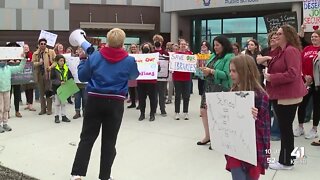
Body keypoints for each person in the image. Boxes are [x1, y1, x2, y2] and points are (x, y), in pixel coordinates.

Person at [71, 28, 139, 180]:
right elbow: (134, 75)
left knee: (87, 138)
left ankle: (77, 174)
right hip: (115, 103)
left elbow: (82, 76)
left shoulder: (95, 56)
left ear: (108, 41)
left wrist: (83, 60)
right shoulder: (129, 60)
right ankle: (105, 176)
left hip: (94, 100)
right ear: (123, 43)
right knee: (109, 141)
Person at [265, 25, 307, 170]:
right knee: (285, 128)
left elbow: (293, 74)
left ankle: (286, 161)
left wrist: (271, 77)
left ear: (287, 35)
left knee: (285, 129)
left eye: (280, 33)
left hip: (288, 96)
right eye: (276, 33)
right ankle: (287, 159)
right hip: (282, 95)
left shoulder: (291, 51)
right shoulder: (282, 51)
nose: (276, 35)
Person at [226, 54, 270, 180]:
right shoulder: (232, 92)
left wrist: (256, 117)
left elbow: (265, 128)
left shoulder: (261, 96)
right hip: (236, 147)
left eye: (234, 71)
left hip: (254, 149)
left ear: (245, 71)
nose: (230, 74)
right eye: (230, 70)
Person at [198, 36, 233, 148]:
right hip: (208, 86)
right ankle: (208, 136)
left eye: (218, 45)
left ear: (224, 45)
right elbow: (208, 68)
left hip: (220, 88)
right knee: (203, 111)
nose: (215, 47)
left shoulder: (229, 57)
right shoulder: (213, 55)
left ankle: (217, 138)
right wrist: (204, 71)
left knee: (216, 114)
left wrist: (212, 71)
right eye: (214, 45)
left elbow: (227, 75)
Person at [294, 29, 320, 139]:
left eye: (316, 36)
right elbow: (300, 64)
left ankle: (314, 129)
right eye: (312, 37)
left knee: (317, 106)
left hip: (318, 83)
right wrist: (305, 77)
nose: (313, 38)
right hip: (306, 82)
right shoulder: (306, 49)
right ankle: (300, 127)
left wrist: (313, 78)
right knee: (302, 104)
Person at [257, 31, 281, 141]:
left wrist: (266, 61)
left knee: (276, 110)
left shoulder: (281, 51)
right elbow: (258, 60)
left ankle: (276, 131)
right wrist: (268, 58)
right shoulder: (265, 50)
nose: (273, 39)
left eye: (275, 38)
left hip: (276, 84)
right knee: (265, 108)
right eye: (271, 38)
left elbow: (276, 64)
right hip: (264, 84)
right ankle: (265, 129)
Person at [0, 52, 26, 133]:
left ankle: (5, 123)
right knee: (0, 108)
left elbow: (19, 68)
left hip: (7, 90)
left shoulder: (9, 68)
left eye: (4, 60)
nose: (2, 61)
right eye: (1, 60)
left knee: (6, 108)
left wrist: (23, 59)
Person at [32, 38, 56, 115]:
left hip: (48, 74)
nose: (43, 45)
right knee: (41, 93)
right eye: (41, 44)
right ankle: (43, 109)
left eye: (44, 44)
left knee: (48, 92)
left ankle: (49, 109)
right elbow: (32, 64)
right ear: (39, 45)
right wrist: (39, 63)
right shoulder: (35, 53)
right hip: (39, 75)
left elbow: (56, 62)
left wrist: (51, 67)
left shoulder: (51, 52)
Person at [137, 42, 158, 121]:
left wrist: (157, 65)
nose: (146, 48)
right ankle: (142, 114)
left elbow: (158, 69)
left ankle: (152, 114)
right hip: (141, 81)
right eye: (144, 47)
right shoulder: (139, 57)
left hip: (151, 81)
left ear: (150, 48)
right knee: (141, 99)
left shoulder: (154, 57)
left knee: (153, 99)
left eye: (147, 47)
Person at [173, 39, 192, 120]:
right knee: (177, 95)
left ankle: (185, 112)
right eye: (182, 44)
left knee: (186, 95)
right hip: (177, 77)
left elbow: (193, 64)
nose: (183, 45)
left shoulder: (190, 54)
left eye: (184, 44)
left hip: (187, 77)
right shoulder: (175, 54)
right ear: (179, 45)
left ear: (186, 45)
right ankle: (177, 112)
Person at [50, 54, 73, 123]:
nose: (62, 62)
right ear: (57, 61)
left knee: (63, 103)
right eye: (61, 61)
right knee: (57, 103)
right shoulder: (54, 69)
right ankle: (56, 116)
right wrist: (59, 82)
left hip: (65, 88)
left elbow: (70, 77)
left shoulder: (66, 68)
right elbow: (52, 79)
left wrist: (68, 82)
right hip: (57, 88)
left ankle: (64, 116)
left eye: (63, 61)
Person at [153, 34, 169, 116]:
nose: (157, 42)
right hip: (153, 78)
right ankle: (154, 109)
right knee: (154, 95)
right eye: (156, 41)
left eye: (159, 41)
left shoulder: (166, 53)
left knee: (162, 95)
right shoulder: (151, 53)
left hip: (163, 78)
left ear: (161, 42)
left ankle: (163, 109)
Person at [73, 47, 88, 119]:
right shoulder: (73, 60)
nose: (81, 52)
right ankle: (77, 112)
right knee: (77, 98)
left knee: (85, 98)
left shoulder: (88, 60)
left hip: (85, 83)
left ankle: (85, 111)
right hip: (76, 83)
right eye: (80, 51)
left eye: (82, 51)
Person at [23, 44, 36, 112]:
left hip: (30, 74)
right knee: (26, 89)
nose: (26, 49)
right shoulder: (22, 55)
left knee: (30, 89)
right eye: (24, 48)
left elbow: (31, 62)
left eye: (27, 47)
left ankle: (31, 104)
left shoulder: (31, 54)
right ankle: (28, 104)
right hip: (24, 75)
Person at [127, 43, 139, 109]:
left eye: (134, 47)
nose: (133, 48)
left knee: (138, 90)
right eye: (132, 47)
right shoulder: (128, 56)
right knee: (131, 89)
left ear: (137, 48)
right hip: (131, 74)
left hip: (138, 74)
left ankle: (140, 104)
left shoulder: (140, 55)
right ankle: (133, 103)